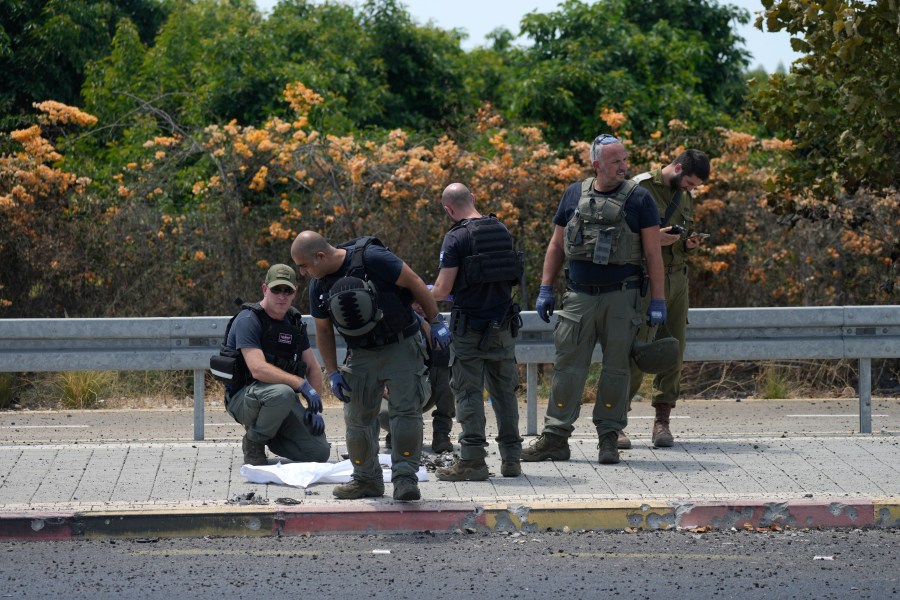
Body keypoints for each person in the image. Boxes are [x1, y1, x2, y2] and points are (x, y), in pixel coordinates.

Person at [522, 134, 667, 465]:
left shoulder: (640, 199)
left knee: (617, 370)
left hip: (623, 297)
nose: (623, 167)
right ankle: (555, 438)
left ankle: (608, 438)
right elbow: (557, 245)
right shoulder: (574, 193)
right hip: (579, 298)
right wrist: (546, 287)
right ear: (596, 164)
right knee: (567, 370)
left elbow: (652, 252)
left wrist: (657, 300)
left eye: (624, 160)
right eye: (615, 161)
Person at [290, 230, 449, 502]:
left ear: (319, 256)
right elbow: (324, 331)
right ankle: (366, 479)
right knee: (357, 419)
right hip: (361, 354)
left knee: (405, 415)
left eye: (304, 266)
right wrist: (334, 372)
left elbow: (414, 282)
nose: (303, 273)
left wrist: (435, 322)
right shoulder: (320, 286)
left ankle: (405, 480)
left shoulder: (373, 258)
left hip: (401, 344)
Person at [430, 183, 524, 481]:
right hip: (503, 325)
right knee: (504, 393)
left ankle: (473, 461)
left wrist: (422, 292)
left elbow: (444, 289)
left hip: (470, 328)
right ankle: (511, 459)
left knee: (468, 393)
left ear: (448, 209)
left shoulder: (456, 237)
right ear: (473, 198)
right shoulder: (501, 229)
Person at [625, 149, 710, 448]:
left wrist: (689, 244)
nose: (690, 190)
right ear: (675, 169)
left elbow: (677, 243)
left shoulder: (686, 196)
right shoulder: (638, 187)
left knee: (674, 349)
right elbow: (619, 235)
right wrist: (652, 238)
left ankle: (662, 421)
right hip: (645, 280)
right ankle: (615, 423)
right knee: (638, 349)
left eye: (694, 187)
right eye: (688, 183)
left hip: (677, 279)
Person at [218, 264, 330, 466]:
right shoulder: (249, 320)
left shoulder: (294, 323)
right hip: (244, 399)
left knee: (319, 452)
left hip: (278, 400)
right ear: (264, 289)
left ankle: (272, 432)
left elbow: (313, 368)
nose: (282, 296)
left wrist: (315, 410)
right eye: (276, 289)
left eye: (288, 290)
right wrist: (300, 384)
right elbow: (257, 369)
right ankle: (254, 442)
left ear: (295, 292)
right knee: (284, 393)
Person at [378, 301, 455, 454]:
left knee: (444, 369)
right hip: (395, 391)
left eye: (424, 302)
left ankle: (441, 433)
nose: (420, 306)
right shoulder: (389, 324)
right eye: (413, 303)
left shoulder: (437, 325)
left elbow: (442, 352)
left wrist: (424, 323)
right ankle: (396, 431)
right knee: (384, 415)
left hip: (424, 389)